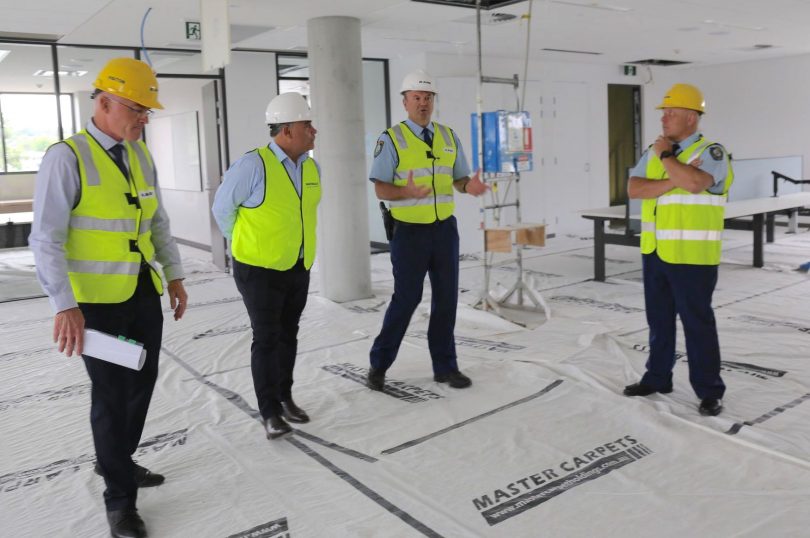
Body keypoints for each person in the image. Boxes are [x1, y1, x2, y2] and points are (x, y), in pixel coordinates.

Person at [28, 57, 188, 538]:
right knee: (111, 395)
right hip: (94, 302)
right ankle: (120, 499)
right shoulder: (67, 157)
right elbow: (46, 238)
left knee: (143, 380)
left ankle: (114, 459)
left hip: (141, 289)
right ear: (103, 103)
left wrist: (175, 275)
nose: (143, 118)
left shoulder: (140, 156)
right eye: (137, 109)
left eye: (147, 112)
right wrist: (64, 303)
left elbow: (157, 222)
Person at [366, 69, 487, 392]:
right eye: (417, 98)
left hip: (444, 231)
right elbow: (381, 189)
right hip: (409, 232)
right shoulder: (391, 139)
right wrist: (406, 192)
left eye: (428, 98)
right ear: (405, 102)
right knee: (406, 299)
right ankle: (378, 365)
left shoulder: (448, 136)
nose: (423, 103)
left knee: (446, 300)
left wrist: (469, 186)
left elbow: (459, 179)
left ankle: (446, 367)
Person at [211, 93, 320, 440]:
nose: (314, 131)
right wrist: (243, 242)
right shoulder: (252, 165)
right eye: (307, 125)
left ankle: (285, 397)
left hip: (297, 266)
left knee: (289, 334)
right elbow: (222, 210)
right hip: (259, 270)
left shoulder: (309, 166)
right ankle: (269, 411)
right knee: (267, 338)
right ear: (287, 130)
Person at [623, 83, 734, 417]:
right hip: (655, 251)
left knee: (697, 323)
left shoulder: (712, 152)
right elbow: (634, 189)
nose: (664, 118)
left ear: (691, 117)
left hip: (692, 257)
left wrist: (668, 158)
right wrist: (674, 176)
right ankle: (657, 378)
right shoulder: (655, 151)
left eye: (671, 112)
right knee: (658, 321)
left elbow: (698, 183)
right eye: (663, 112)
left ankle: (709, 390)